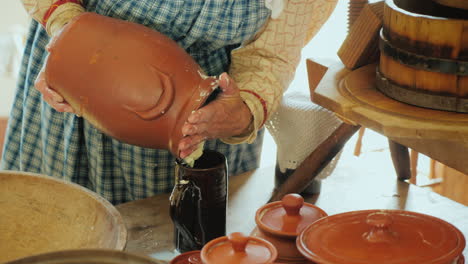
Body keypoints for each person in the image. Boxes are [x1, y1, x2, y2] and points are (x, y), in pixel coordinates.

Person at [1, 0, 336, 204]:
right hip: (86, 67)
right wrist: (69, 33)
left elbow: (272, 53)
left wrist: (243, 108)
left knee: (194, 239)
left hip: (215, 100)